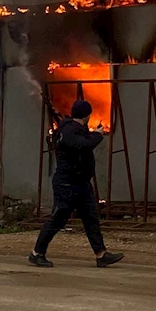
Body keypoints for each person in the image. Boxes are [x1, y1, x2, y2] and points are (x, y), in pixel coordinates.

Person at [29, 99, 124, 269]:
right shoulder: (69, 131)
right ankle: (37, 253)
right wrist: (98, 134)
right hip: (67, 184)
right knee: (58, 219)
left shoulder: (78, 129)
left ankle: (101, 255)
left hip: (81, 183)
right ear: (86, 115)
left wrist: (94, 133)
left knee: (91, 218)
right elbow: (84, 145)